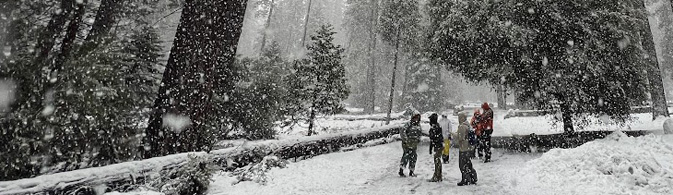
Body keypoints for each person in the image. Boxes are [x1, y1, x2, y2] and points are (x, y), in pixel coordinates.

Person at [455, 112, 478, 186]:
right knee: (468, 163)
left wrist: (453, 135)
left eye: (459, 118)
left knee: (462, 165)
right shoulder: (468, 125)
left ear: (462, 118)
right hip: (468, 148)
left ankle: (465, 180)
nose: (458, 119)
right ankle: (473, 178)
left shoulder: (462, 126)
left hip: (463, 148)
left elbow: (460, 138)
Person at [399, 113, 422, 177]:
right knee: (406, 156)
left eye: (417, 118)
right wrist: (406, 140)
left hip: (414, 144)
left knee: (413, 157)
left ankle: (411, 171)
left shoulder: (418, 125)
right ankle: (401, 171)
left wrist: (418, 139)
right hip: (407, 143)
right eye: (415, 118)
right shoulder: (408, 124)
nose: (416, 119)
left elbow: (420, 133)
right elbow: (403, 132)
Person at [428, 113, 443, 182]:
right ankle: (438, 176)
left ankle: (437, 176)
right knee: (437, 161)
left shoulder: (435, 128)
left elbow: (433, 139)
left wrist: (432, 147)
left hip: (438, 146)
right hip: (438, 146)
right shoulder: (437, 127)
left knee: (437, 161)